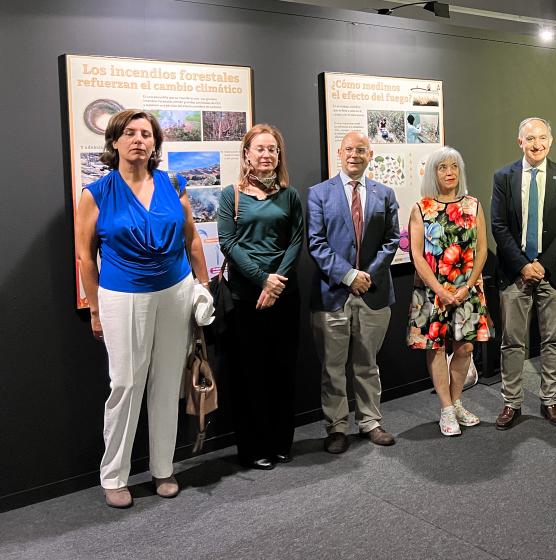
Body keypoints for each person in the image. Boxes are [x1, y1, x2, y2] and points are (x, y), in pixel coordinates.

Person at [75, 109, 209, 508]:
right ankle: (114, 475)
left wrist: (203, 287)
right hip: (123, 296)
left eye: (146, 134)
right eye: (130, 133)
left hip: (175, 291)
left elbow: (192, 239)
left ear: (155, 144)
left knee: (167, 383)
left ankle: (163, 468)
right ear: (114, 141)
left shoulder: (173, 183)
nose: (139, 140)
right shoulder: (96, 193)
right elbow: (85, 258)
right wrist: (95, 310)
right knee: (126, 385)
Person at [217, 124, 305, 470]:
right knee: (249, 373)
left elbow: (296, 240)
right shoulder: (232, 195)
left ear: (279, 156)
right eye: (260, 149)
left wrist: (276, 283)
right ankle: (254, 448)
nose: (266, 155)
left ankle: (281, 442)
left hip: (285, 295)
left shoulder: (289, 195)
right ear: (247, 154)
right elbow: (229, 242)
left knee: (283, 370)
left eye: (272, 149)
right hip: (245, 297)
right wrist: (262, 280)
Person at [308, 131, 401, 453]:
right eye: (349, 149)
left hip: (373, 294)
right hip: (332, 294)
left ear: (370, 154)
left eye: (361, 150)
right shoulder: (319, 194)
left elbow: (392, 240)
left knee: (367, 364)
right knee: (332, 368)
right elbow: (316, 243)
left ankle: (370, 422)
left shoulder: (384, 194)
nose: (354, 155)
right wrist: (349, 276)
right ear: (339, 152)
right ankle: (336, 427)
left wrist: (367, 276)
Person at [491, 117, 556, 429]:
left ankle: (550, 400)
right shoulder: (504, 177)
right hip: (514, 273)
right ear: (520, 143)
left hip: (552, 273)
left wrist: (542, 265)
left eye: (542, 138)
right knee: (512, 341)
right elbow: (498, 226)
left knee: (553, 340)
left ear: (550, 142)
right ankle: (511, 403)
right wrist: (523, 265)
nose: (536, 144)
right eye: (530, 139)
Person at [408, 147, 492, 436]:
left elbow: (482, 250)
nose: (449, 172)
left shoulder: (473, 205)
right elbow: (417, 255)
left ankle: (456, 402)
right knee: (436, 347)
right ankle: (445, 408)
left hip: (466, 289)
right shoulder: (422, 208)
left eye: (454, 166)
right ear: (433, 173)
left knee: (466, 347)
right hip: (433, 291)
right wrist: (440, 290)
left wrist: (467, 286)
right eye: (442, 167)